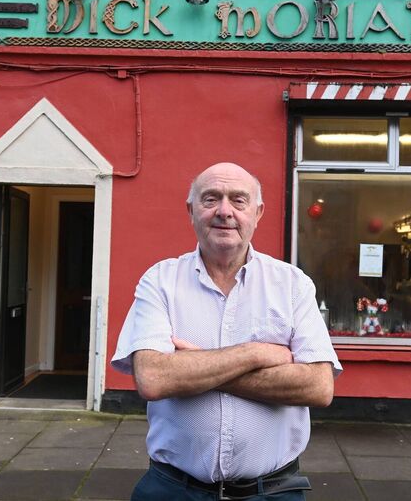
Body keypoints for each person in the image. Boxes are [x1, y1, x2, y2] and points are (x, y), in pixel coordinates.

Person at [111, 162, 342, 501]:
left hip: (271, 493)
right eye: (210, 199)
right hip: (173, 490)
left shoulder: (292, 285)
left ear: (258, 212)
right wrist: (258, 354)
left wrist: (193, 369)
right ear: (191, 210)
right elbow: (153, 379)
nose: (224, 211)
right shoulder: (160, 281)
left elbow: (318, 386)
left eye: (238, 200)